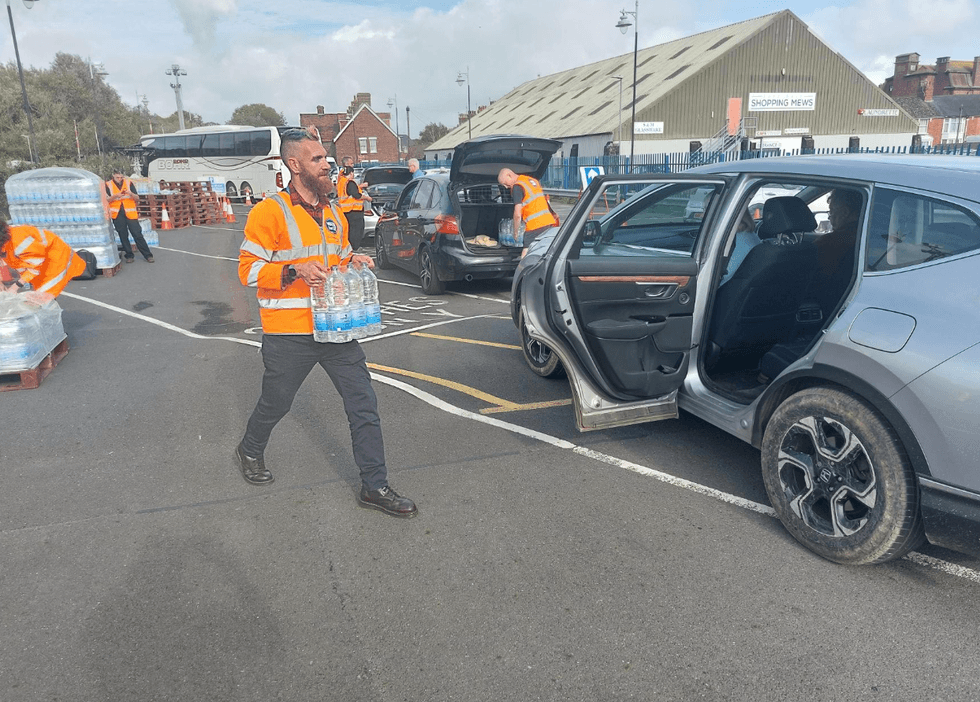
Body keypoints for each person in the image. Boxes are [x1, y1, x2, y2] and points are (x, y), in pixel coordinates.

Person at [236, 127, 417, 518]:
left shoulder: (333, 211)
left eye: (327, 159)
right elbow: (248, 271)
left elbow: (339, 255)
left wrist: (353, 261)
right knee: (276, 402)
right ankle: (250, 449)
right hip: (290, 334)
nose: (327, 165)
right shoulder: (270, 211)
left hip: (337, 328)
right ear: (294, 164)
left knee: (363, 404)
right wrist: (292, 270)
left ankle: (375, 485)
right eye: (317, 159)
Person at [0, 218, 86, 296]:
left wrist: (15, 287)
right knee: (39, 299)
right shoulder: (5, 238)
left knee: (42, 298)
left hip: (55, 260)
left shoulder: (18, 241)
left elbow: (35, 266)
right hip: (40, 262)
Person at [496, 168, 558, 257]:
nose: (506, 187)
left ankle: (522, 270)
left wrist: (515, 232)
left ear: (509, 175)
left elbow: (517, 213)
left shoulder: (517, 186)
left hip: (534, 225)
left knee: (525, 253)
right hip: (548, 222)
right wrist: (553, 213)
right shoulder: (532, 181)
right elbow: (541, 199)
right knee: (543, 251)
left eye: (505, 183)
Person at [105, 169, 154, 263]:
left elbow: (137, 198)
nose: (119, 179)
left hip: (130, 213)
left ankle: (148, 255)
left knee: (137, 234)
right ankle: (129, 255)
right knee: (123, 235)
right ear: (113, 176)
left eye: (121, 177)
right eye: (117, 177)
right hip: (117, 214)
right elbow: (107, 200)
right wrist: (115, 196)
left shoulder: (128, 183)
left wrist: (130, 193)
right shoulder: (108, 185)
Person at [335, 156, 372, 250]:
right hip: (354, 211)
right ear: (350, 173)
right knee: (356, 231)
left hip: (345, 211)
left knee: (349, 230)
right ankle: (354, 247)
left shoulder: (341, 181)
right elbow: (356, 194)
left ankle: (349, 248)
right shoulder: (349, 182)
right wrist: (367, 198)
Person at [719, 207, 761, 286]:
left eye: (705, 210)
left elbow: (726, 276)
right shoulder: (749, 236)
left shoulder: (735, 240)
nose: (703, 215)